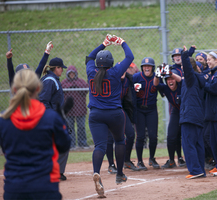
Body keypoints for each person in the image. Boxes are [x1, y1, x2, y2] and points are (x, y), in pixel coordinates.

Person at [0, 69, 71, 200]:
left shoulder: (3, 119)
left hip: (14, 188)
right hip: (45, 187)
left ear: (14, 89)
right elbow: (64, 146)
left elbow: (6, 149)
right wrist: (61, 121)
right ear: (38, 88)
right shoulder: (50, 118)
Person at [86, 34, 134, 198]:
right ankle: (120, 173)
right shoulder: (114, 72)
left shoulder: (91, 71)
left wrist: (103, 44)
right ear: (111, 63)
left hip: (96, 115)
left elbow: (90, 57)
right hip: (114, 113)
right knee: (120, 140)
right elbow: (130, 57)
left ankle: (96, 172)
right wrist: (122, 42)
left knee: (99, 146)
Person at [39, 56, 69, 181]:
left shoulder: (52, 79)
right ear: (56, 68)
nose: (62, 70)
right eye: (61, 68)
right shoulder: (50, 80)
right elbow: (43, 101)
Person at [179, 46, 206, 179]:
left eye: (184, 66)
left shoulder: (191, 78)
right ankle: (200, 169)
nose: (182, 68)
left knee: (189, 144)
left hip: (189, 116)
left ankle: (195, 170)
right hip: (197, 116)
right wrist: (189, 53)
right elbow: (189, 66)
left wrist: (185, 54)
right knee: (197, 144)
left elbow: (188, 66)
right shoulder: (197, 77)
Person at [133, 57, 160, 170]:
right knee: (140, 136)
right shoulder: (136, 77)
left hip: (151, 109)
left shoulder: (156, 78)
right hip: (139, 110)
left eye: (149, 66)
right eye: (145, 66)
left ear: (153, 68)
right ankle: (139, 161)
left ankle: (152, 158)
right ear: (142, 68)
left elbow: (163, 89)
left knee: (153, 136)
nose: (147, 68)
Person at [153, 65, 183, 169]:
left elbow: (181, 79)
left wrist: (171, 73)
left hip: (186, 111)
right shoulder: (165, 88)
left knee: (185, 136)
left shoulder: (181, 85)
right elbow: (156, 84)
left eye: (172, 79)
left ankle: (183, 158)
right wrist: (157, 75)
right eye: (168, 79)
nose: (170, 81)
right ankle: (171, 160)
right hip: (176, 111)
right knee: (171, 136)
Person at [61, 65, 89, 149]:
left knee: (81, 126)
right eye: (70, 74)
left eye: (73, 73)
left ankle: (82, 143)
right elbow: (61, 91)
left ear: (76, 73)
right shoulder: (64, 83)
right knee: (70, 127)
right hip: (69, 110)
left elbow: (86, 90)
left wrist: (75, 84)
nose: (72, 75)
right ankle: (71, 144)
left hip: (80, 109)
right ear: (67, 74)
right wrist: (71, 85)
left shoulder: (80, 81)